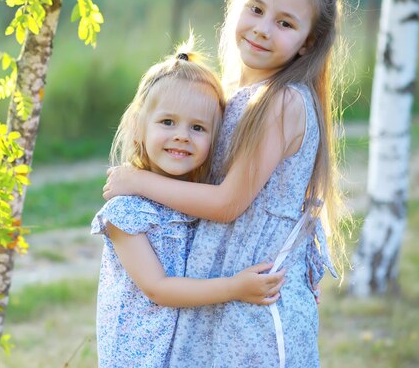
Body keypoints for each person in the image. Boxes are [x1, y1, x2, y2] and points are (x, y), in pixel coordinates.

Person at [103, 0, 346, 367]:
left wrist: (135, 181)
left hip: (252, 305)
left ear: (308, 41)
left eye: (285, 23)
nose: (262, 29)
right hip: (223, 297)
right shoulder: (236, 97)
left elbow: (227, 203)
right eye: (256, 9)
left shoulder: (281, 101)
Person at [91, 41, 287, 368]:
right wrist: (235, 288)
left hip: (187, 352)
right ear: (139, 128)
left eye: (197, 127)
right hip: (140, 358)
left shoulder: (203, 200)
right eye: (167, 122)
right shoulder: (126, 212)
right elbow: (158, 289)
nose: (182, 135)